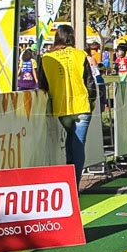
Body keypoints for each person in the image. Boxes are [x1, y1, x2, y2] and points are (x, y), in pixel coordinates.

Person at [36, 25, 98, 187]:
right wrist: (92, 100)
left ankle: (69, 182)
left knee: (71, 142)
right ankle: (73, 185)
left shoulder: (46, 58)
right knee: (78, 144)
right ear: (72, 38)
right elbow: (89, 81)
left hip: (62, 107)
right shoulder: (80, 55)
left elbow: (42, 83)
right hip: (82, 105)